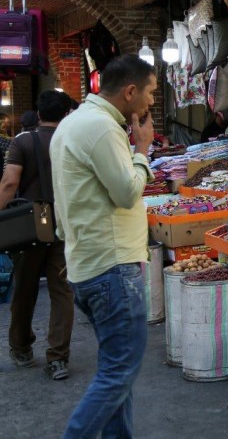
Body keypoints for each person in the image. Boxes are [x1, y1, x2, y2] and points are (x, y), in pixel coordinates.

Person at [50, 55, 156, 439]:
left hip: (87, 264)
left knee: (117, 372)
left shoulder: (73, 124)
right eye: (149, 93)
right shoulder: (100, 128)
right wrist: (141, 150)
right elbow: (128, 192)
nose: (150, 103)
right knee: (117, 374)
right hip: (112, 269)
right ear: (129, 91)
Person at [0, 91, 75, 380]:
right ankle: (58, 358)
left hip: (32, 222)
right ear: (66, 113)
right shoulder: (71, 140)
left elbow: (9, 183)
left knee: (25, 288)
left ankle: (21, 348)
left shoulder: (23, 141)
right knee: (62, 290)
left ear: (39, 113)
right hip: (65, 220)